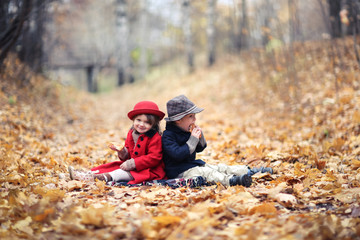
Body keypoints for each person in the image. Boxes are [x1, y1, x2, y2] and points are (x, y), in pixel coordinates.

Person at [162, 95, 273, 187]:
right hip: (179, 172)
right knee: (207, 173)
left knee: (220, 167)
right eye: (191, 116)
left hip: (192, 165)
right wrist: (192, 140)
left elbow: (200, 148)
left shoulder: (186, 130)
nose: (194, 119)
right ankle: (232, 181)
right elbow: (178, 154)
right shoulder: (168, 136)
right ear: (178, 120)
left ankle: (250, 172)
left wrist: (200, 137)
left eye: (194, 116)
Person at [68, 100, 167, 184]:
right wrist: (122, 151)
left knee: (119, 173)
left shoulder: (155, 137)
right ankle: (81, 175)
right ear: (133, 120)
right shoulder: (131, 133)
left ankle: (98, 178)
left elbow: (154, 158)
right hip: (133, 166)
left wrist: (133, 163)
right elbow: (128, 153)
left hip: (149, 170)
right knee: (109, 166)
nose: (141, 124)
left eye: (147, 122)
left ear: (153, 125)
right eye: (138, 120)